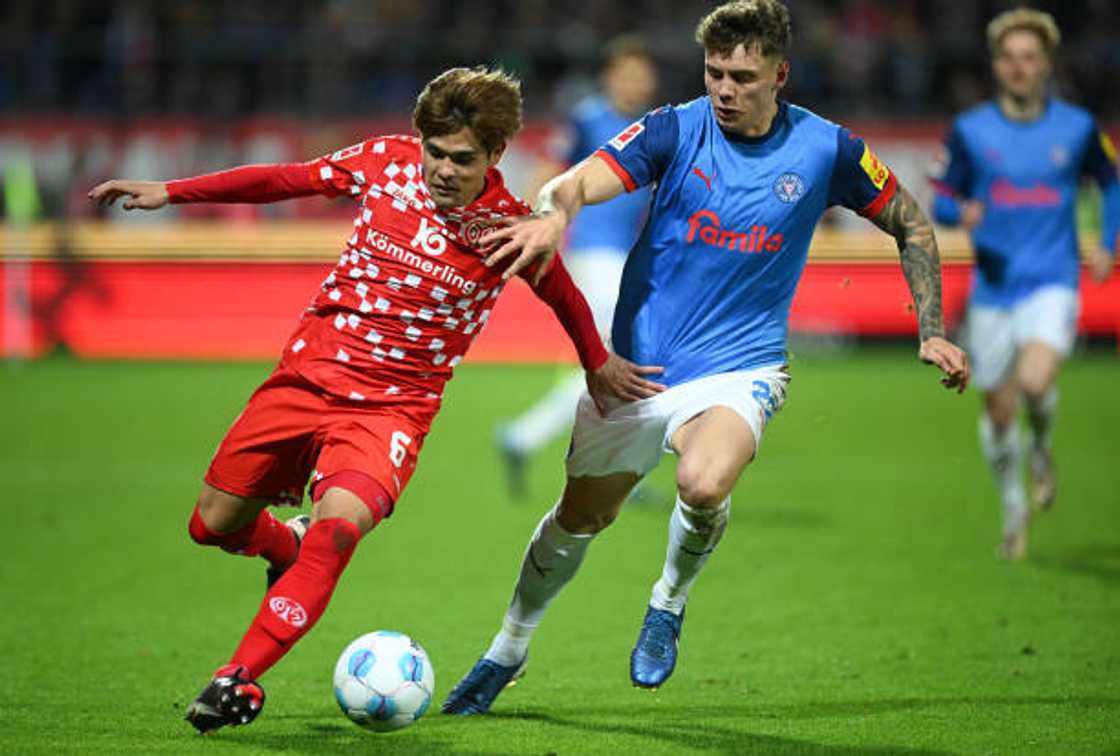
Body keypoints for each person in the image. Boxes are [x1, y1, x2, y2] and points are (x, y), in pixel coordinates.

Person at [88, 66, 666, 734]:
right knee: (212, 525)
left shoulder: (508, 228)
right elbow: (285, 179)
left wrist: (597, 365)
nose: (444, 170)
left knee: (337, 533)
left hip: (390, 412)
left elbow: (562, 294)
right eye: (436, 152)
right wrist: (171, 192)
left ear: (495, 156)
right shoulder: (384, 162)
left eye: (463, 159)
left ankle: (235, 678)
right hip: (303, 382)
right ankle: (283, 544)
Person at [441, 0, 970, 715]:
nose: (724, 88)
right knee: (578, 521)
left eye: (743, 77)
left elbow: (910, 223)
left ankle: (667, 602)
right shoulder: (673, 129)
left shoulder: (827, 149)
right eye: (715, 72)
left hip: (740, 367)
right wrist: (555, 212)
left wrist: (929, 327)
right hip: (636, 369)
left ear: (780, 75)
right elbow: (580, 179)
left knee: (702, 480)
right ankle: (508, 648)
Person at [930, 8, 1117, 561]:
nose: (1018, 67)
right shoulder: (971, 131)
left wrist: (1107, 242)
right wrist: (958, 210)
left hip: (1052, 280)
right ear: (996, 64)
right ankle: (1014, 507)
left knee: (1036, 382)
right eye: (1009, 57)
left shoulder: (1078, 129)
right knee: (998, 410)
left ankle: (1041, 448)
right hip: (992, 290)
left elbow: (1110, 185)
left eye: (1029, 57)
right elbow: (940, 195)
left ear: (1046, 65)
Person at [496, 35, 659, 499]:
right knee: (622, 364)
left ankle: (532, 440)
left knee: (617, 365)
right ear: (610, 77)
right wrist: (527, 221)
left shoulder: (653, 127)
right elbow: (550, 166)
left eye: (642, 75)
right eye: (628, 73)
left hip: (629, 257)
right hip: (594, 253)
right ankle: (615, 466)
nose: (636, 83)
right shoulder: (589, 118)